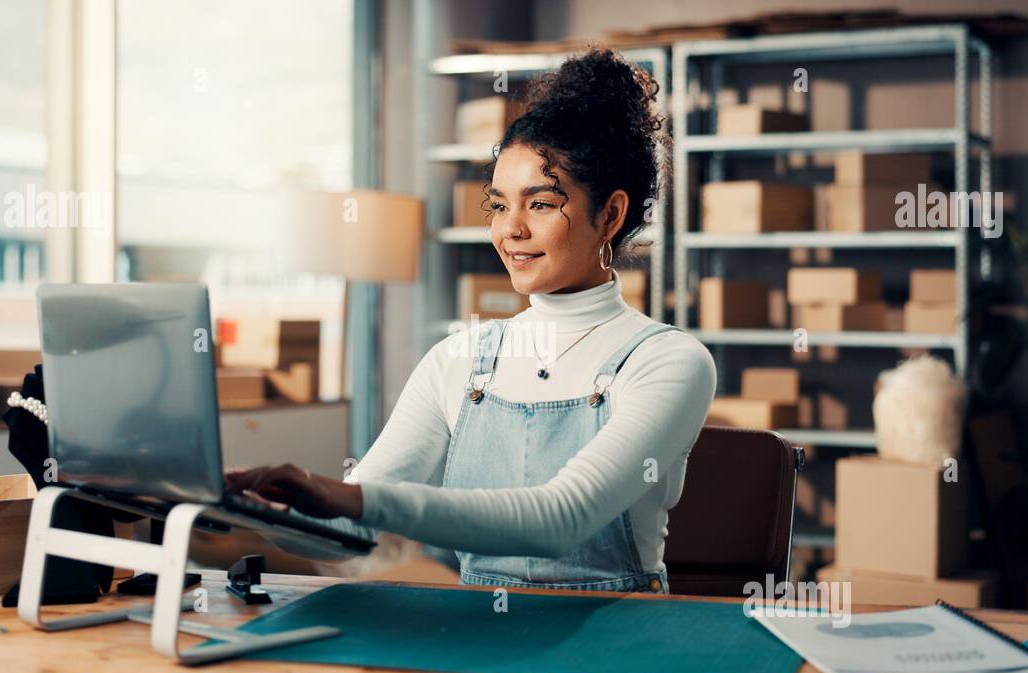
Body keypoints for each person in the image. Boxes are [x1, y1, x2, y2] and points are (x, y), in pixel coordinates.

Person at [226, 48, 716, 593]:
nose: (512, 231)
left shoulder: (666, 360)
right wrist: (245, 507)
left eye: (541, 204)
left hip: (613, 647)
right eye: (500, 205)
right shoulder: (461, 359)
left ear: (611, 214)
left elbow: (561, 519)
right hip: (482, 636)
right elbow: (345, 527)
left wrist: (353, 496)